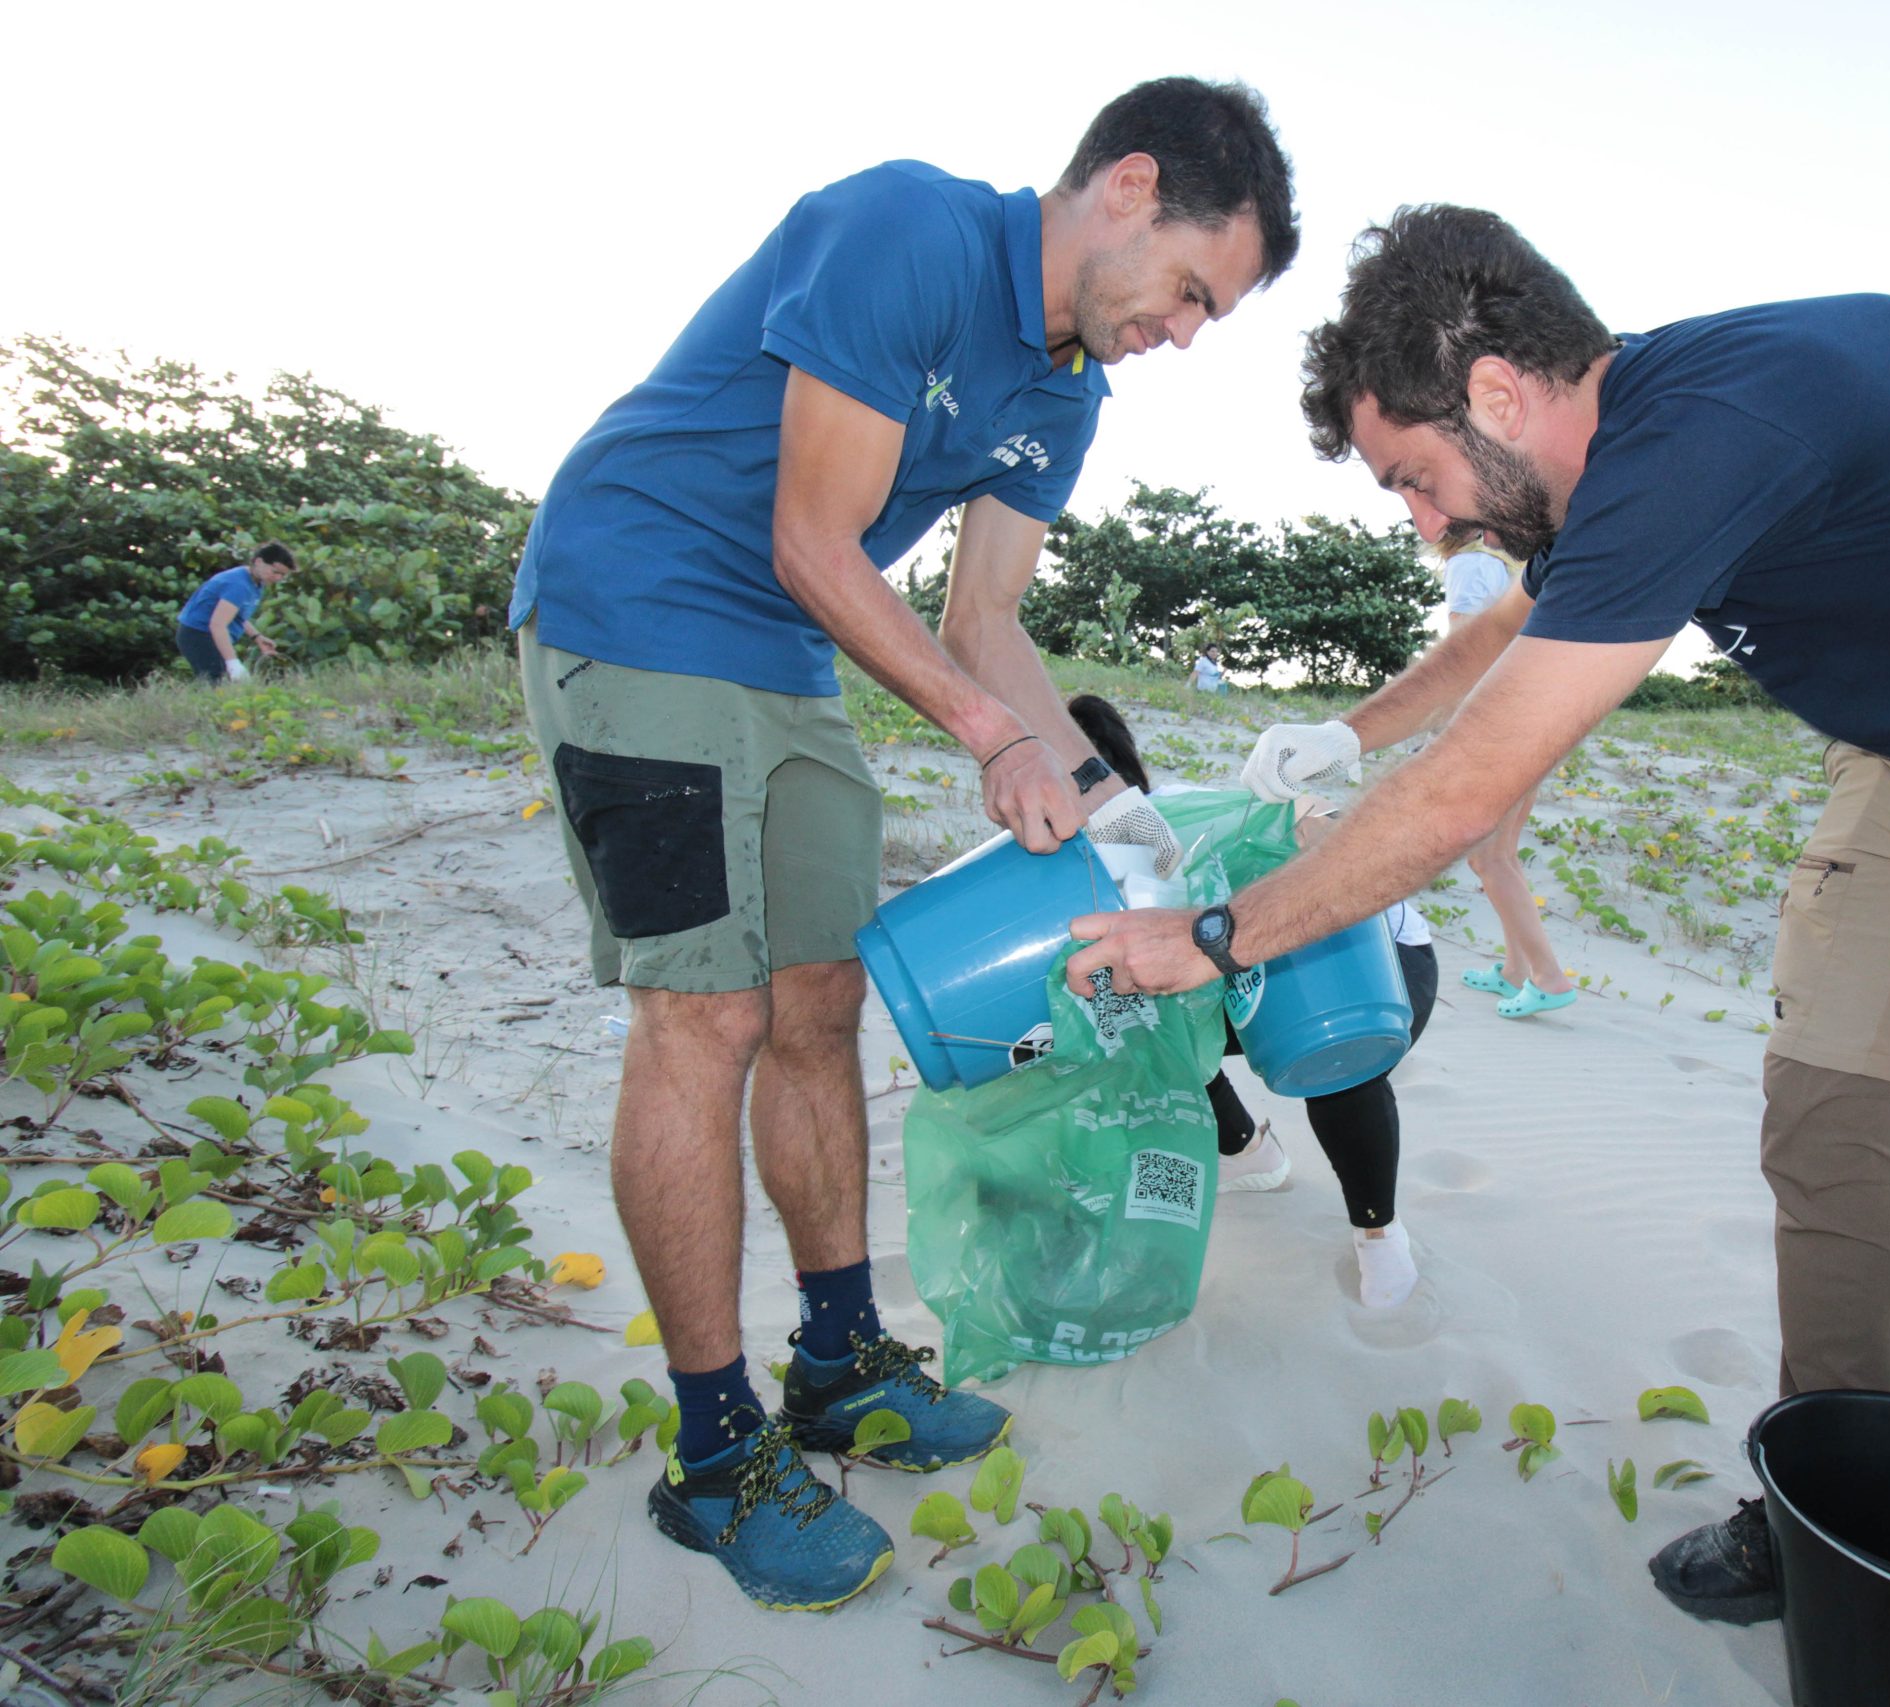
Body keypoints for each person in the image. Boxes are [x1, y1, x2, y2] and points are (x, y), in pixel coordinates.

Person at [1068, 206, 1890, 1706]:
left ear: (1502, 397)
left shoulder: (1718, 427)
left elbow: (1476, 788)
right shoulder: (1608, 459)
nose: (1427, 524)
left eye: (1417, 477)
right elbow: (1496, 645)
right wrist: (1349, 728)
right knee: (1837, 1126)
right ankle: (1832, 1520)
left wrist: (1218, 934)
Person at [506, 79, 1296, 1612]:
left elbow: (981, 622)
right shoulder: (908, 231)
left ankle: (836, 1357)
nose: (1188, 331)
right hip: (643, 597)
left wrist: (1116, 808)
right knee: (706, 1014)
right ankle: (716, 1451)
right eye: (1196, 289)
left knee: (817, 1002)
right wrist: (989, 739)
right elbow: (814, 534)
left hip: (792, 656)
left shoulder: (1064, 394)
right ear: (1128, 186)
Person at [1067, 693, 1435, 1307]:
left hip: (1370, 962)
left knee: (1331, 1050)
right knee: (1136, 1016)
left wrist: (1309, 818)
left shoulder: (1177, 817)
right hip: (1239, 974)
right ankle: (1245, 1152)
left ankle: (1380, 1232)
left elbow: (1324, 824)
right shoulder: (1067, 873)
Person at [1440, 542, 1575, 1018]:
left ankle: (1547, 977)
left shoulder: (1468, 563)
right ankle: (1518, 970)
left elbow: (1466, 654)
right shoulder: (1510, 564)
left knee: (1488, 858)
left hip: (1504, 723)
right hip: (1538, 715)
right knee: (1500, 856)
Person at [174, 544, 293, 683]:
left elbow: (236, 615)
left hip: (212, 634)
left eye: (283, 575)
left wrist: (256, 636)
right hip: (199, 635)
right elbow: (217, 624)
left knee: (225, 683)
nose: (278, 578)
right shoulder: (238, 584)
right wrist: (232, 663)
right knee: (218, 683)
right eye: (275, 572)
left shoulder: (256, 582)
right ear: (258, 562)